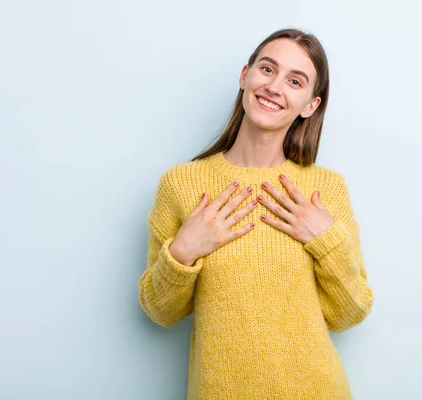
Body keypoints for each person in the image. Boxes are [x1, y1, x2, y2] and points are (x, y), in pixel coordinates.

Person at [138, 27, 374, 399]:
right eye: (268, 69)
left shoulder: (327, 190)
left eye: (295, 81)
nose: (275, 86)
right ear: (245, 75)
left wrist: (327, 243)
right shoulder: (181, 184)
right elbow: (160, 311)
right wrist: (183, 252)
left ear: (310, 105)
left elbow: (349, 314)